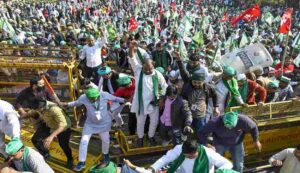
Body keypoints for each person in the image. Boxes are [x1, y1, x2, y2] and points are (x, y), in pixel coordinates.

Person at [61, 88, 126, 171]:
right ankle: (82, 162)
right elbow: (76, 103)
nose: (93, 100)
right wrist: (66, 104)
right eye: (91, 99)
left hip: (104, 123)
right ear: (87, 97)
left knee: (106, 141)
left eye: (95, 98)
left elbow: (116, 98)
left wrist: (126, 100)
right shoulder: (83, 97)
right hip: (90, 124)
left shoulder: (104, 94)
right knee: (84, 141)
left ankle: (105, 155)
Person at [128, 42, 168, 147]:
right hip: (140, 103)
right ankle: (140, 138)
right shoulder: (138, 71)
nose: (149, 71)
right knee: (140, 123)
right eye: (146, 69)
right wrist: (131, 47)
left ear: (153, 65)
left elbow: (164, 86)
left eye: (150, 69)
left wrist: (161, 99)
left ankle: (150, 136)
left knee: (154, 122)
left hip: (153, 103)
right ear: (142, 67)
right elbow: (132, 57)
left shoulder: (157, 74)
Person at [177, 53, 219, 134]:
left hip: (200, 116)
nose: (196, 84)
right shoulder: (188, 83)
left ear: (203, 81)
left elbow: (214, 95)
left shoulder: (208, 87)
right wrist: (179, 60)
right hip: (188, 114)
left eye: (199, 83)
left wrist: (216, 107)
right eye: (195, 82)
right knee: (186, 131)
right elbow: (183, 71)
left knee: (201, 132)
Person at [30, 98, 73, 168]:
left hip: (63, 127)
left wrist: (51, 137)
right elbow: (31, 112)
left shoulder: (54, 109)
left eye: (38, 109)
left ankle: (70, 159)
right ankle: (45, 153)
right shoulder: (38, 106)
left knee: (63, 145)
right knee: (35, 139)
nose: (37, 111)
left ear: (42, 107)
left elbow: (63, 125)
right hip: (49, 125)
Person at [149, 140, 233, 173]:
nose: (189, 158)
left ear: (197, 151)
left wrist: (219, 172)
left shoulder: (208, 153)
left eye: (191, 156)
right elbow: (165, 159)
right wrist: (152, 168)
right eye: (186, 156)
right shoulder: (179, 149)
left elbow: (228, 164)